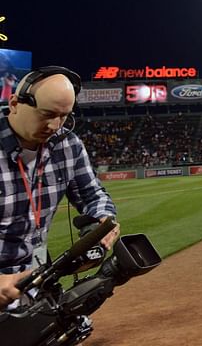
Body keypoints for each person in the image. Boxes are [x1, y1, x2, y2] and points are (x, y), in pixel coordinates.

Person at [1, 67, 119, 309]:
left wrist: (103, 220)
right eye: (47, 114)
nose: (55, 125)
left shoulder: (68, 145)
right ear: (14, 103)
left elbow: (93, 194)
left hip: (37, 279)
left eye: (64, 116)